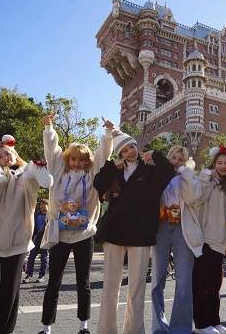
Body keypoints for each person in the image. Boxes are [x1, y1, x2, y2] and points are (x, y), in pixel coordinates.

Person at [37, 114, 117, 334]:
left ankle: (83, 326)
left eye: (82, 159)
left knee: (84, 282)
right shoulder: (58, 172)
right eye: (73, 159)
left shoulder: (91, 175)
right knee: (54, 282)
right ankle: (46, 327)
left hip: (84, 234)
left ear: (87, 161)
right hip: (59, 235)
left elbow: (102, 157)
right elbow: (51, 151)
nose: (77, 163)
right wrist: (49, 127)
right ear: (68, 159)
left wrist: (108, 134)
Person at [0, 135, 53, 334]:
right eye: (0, 156)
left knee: (10, 293)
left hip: (18, 241)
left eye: (7, 152)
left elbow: (47, 182)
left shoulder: (29, 173)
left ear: (15, 152)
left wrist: (39, 168)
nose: (5, 157)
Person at [93, 132, 174, 334]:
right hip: (114, 232)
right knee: (111, 284)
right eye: (125, 150)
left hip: (141, 232)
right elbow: (98, 184)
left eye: (132, 147)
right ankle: (106, 330)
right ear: (120, 153)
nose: (130, 152)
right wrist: (112, 165)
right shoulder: (115, 171)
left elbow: (168, 172)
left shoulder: (151, 171)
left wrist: (154, 154)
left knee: (137, 286)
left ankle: (134, 330)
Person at [151, 145, 205, 334]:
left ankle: (180, 328)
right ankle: (159, 326)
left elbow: (193, 198)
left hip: (182, 227)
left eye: (180, 160)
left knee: (183, 281)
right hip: (161, 227)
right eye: (173, 157)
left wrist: (186, 173)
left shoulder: (187, 178)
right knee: (157, 280)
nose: (175, 162)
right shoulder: (157, 174)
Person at [190, 145, 226, 334]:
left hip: (222, 238)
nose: (223, 166)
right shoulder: (207, 178)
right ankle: (201, 324)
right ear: (214, 163)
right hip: (205, 238)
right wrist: (206, 177)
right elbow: (197, 199)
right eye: (220, 163)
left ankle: (214, 320)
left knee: (215, 284)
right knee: (201, 283)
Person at [23, 199, 49, 284]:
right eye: (40, 205)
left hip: (45, 238)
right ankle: (29, 274)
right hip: (36, 237)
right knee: (31, 257)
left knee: (44, 258)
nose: (41, 206)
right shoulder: (36, 215)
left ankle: (42, 275)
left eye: (43, 205)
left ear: (48, 205)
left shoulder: (50, 216)